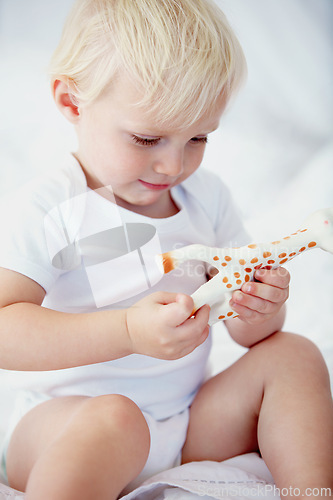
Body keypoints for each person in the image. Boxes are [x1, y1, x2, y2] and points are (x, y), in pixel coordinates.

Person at [0, 1, 332, 499]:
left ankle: (310, 493)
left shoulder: (208, 197)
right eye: (147, 137)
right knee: (114, 417)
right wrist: (127, 331)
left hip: (185, 419)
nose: (173, 165)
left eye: (198, 136)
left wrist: (260, 308)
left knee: (293, 355)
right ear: (72, 103)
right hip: (64, 425)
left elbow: (248, 334)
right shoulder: (52, 207)